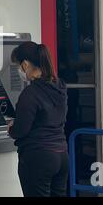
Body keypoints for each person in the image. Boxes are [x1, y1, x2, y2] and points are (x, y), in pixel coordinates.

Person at [8, 41, 69, 197]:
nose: (18, 70)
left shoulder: (30, 94)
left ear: (26, 64)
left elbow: (21, 130)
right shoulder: (59, 86)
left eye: (18, 66)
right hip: (61, 155)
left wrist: (11, 128)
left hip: (38, 157)